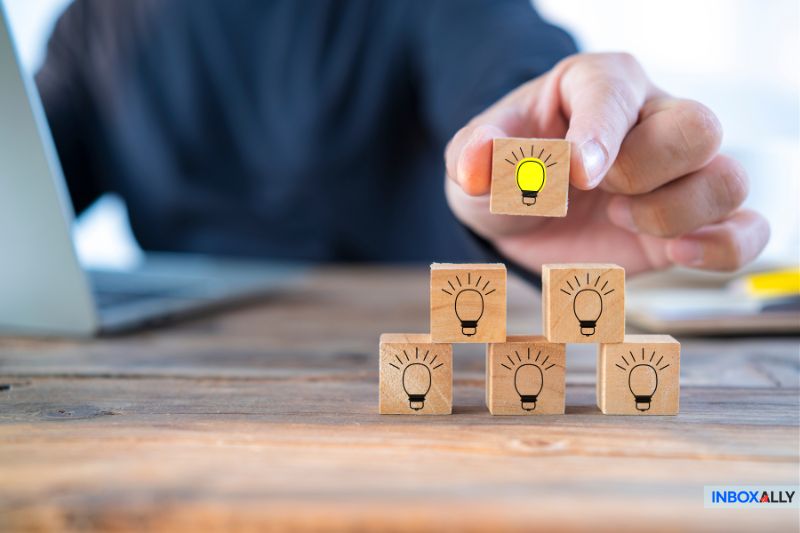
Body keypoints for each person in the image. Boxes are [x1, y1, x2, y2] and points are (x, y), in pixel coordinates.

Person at [37, 0, 769, 278]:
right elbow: (28, 190)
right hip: (171, 386)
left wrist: (560, 139)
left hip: (413, 374)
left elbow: (506, 76)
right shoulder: (90, 27)